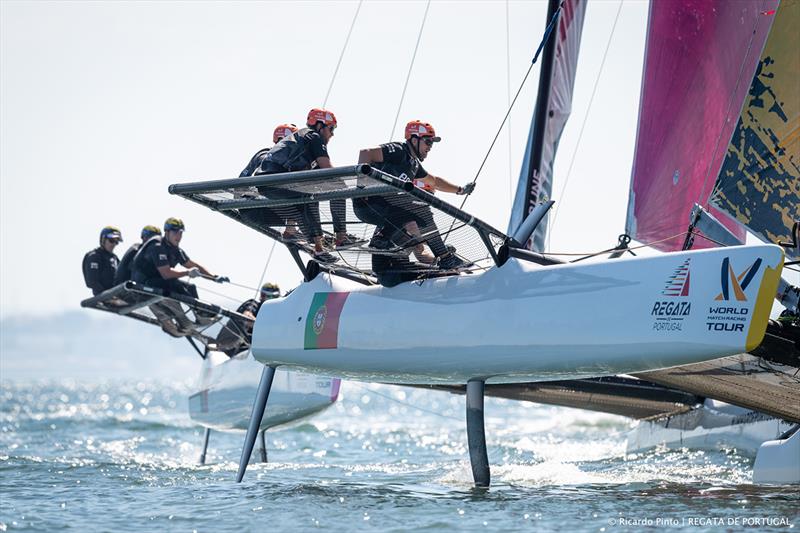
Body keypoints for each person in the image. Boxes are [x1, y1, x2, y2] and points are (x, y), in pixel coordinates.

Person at [354, 120, 475, 282]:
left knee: (414, 209)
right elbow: (366, 153)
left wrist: (460, 190)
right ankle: (445, 257)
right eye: (428, 141)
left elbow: (435, 181)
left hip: (386, 216)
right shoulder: (399, 150)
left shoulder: (413, 165)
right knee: (419, 208)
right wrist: (362, 186)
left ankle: (443, 259)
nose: (430, 146)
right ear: (414, 139)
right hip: (370, 203)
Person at [257, 108, 355, 263]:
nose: (332, 134)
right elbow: (327, 170)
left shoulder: (303, 138)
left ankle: (316, 246)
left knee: (311, 192)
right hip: (275, 181)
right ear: (320, 125)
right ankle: (340, 238)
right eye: (331, 128)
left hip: (269, 183)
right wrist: (350, 188)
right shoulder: (314, 136)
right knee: (335, 188)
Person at [131, 217, 218, 299]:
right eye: (175, 232)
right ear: (167, 232)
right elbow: (166, 274)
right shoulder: (157, 246)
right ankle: (198, 308)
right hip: (143, 283)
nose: (178, 236)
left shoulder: (177, 251)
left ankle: (202, 313)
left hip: (159, 282)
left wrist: (213, 277)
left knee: (191, 287)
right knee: (175, 284)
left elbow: (193, 266)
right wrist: (187, 273)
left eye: (180, 233)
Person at [238, 124, 300, 237]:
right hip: (265, 206)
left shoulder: (261, 153)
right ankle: (291, 230)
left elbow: (242, 178)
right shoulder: (285, 158)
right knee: (303, 191)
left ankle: (292, 230)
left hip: (246, 210)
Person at [216, 283, 281, 357]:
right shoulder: (253, 304)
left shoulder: (275, 313)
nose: (263, 298)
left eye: (273, 297)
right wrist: (266, 328)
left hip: (248, 348)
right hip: (227, 348)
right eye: (265, 295)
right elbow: (247, 316)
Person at [82, 226, 123, 295]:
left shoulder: (114, 258)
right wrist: (108, 295)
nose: (114, 244)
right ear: (103, 240)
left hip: (117, 294)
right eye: (111, 241)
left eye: (116, 242)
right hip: (104, 296)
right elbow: (92, 282)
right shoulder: (94, 256)